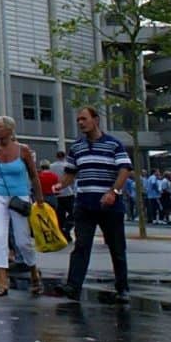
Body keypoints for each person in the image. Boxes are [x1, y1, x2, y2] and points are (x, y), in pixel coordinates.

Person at [64, 106, 132, 301]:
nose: (80, 123)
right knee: (81, 246)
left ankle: (122, 287)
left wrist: (114, 191)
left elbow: (125, 169)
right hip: (84, 204)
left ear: (96, 120)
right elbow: (70, 172)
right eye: (78, 120)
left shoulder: (113, 144)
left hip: (109, 204)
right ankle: (73, 286)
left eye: (84, 119)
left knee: (116, 247)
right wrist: (60, 185)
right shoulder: (77, 147)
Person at [0, 115, 41, 296]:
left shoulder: (23, 150)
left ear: (9, 130)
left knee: (22, 241)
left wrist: (40, 200)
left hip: (20, 197)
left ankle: (33, 272)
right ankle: (2, 280)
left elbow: (33, 175)